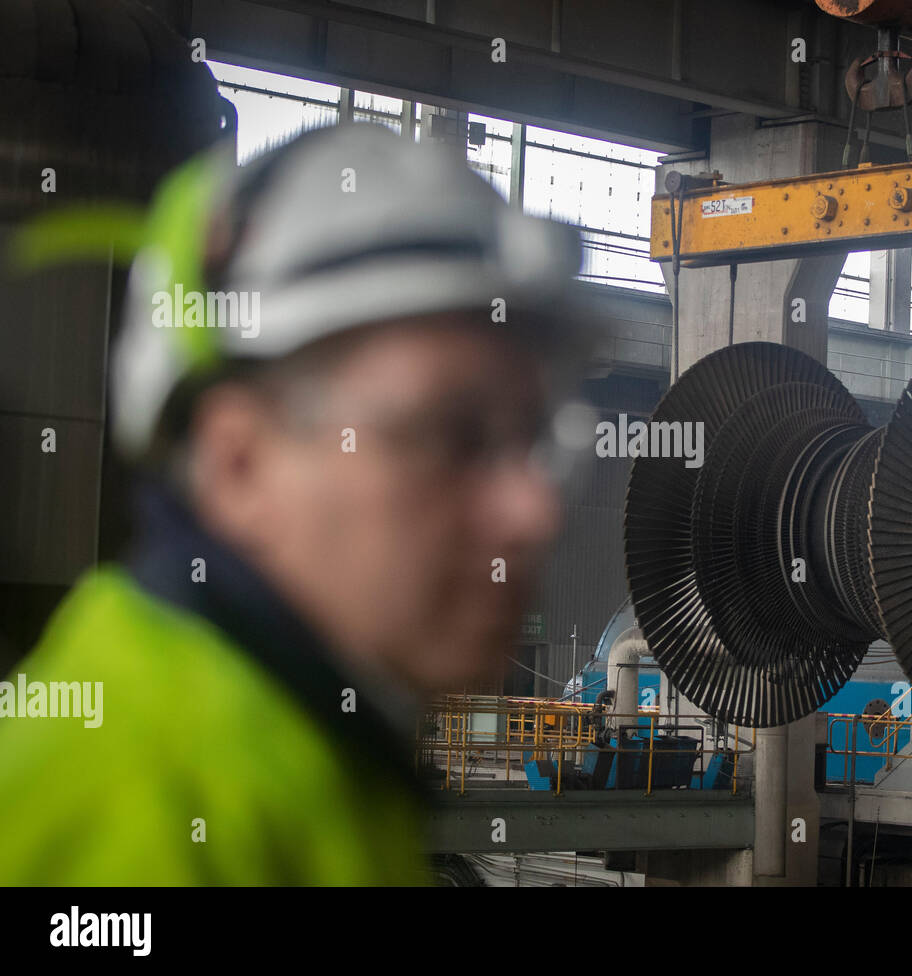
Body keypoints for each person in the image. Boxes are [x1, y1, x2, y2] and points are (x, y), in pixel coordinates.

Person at [0, 123, 598, 884]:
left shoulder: (309, 771)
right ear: (239, 464)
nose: (533, 510)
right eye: (453, 436)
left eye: (532, 439)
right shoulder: (132, 817)